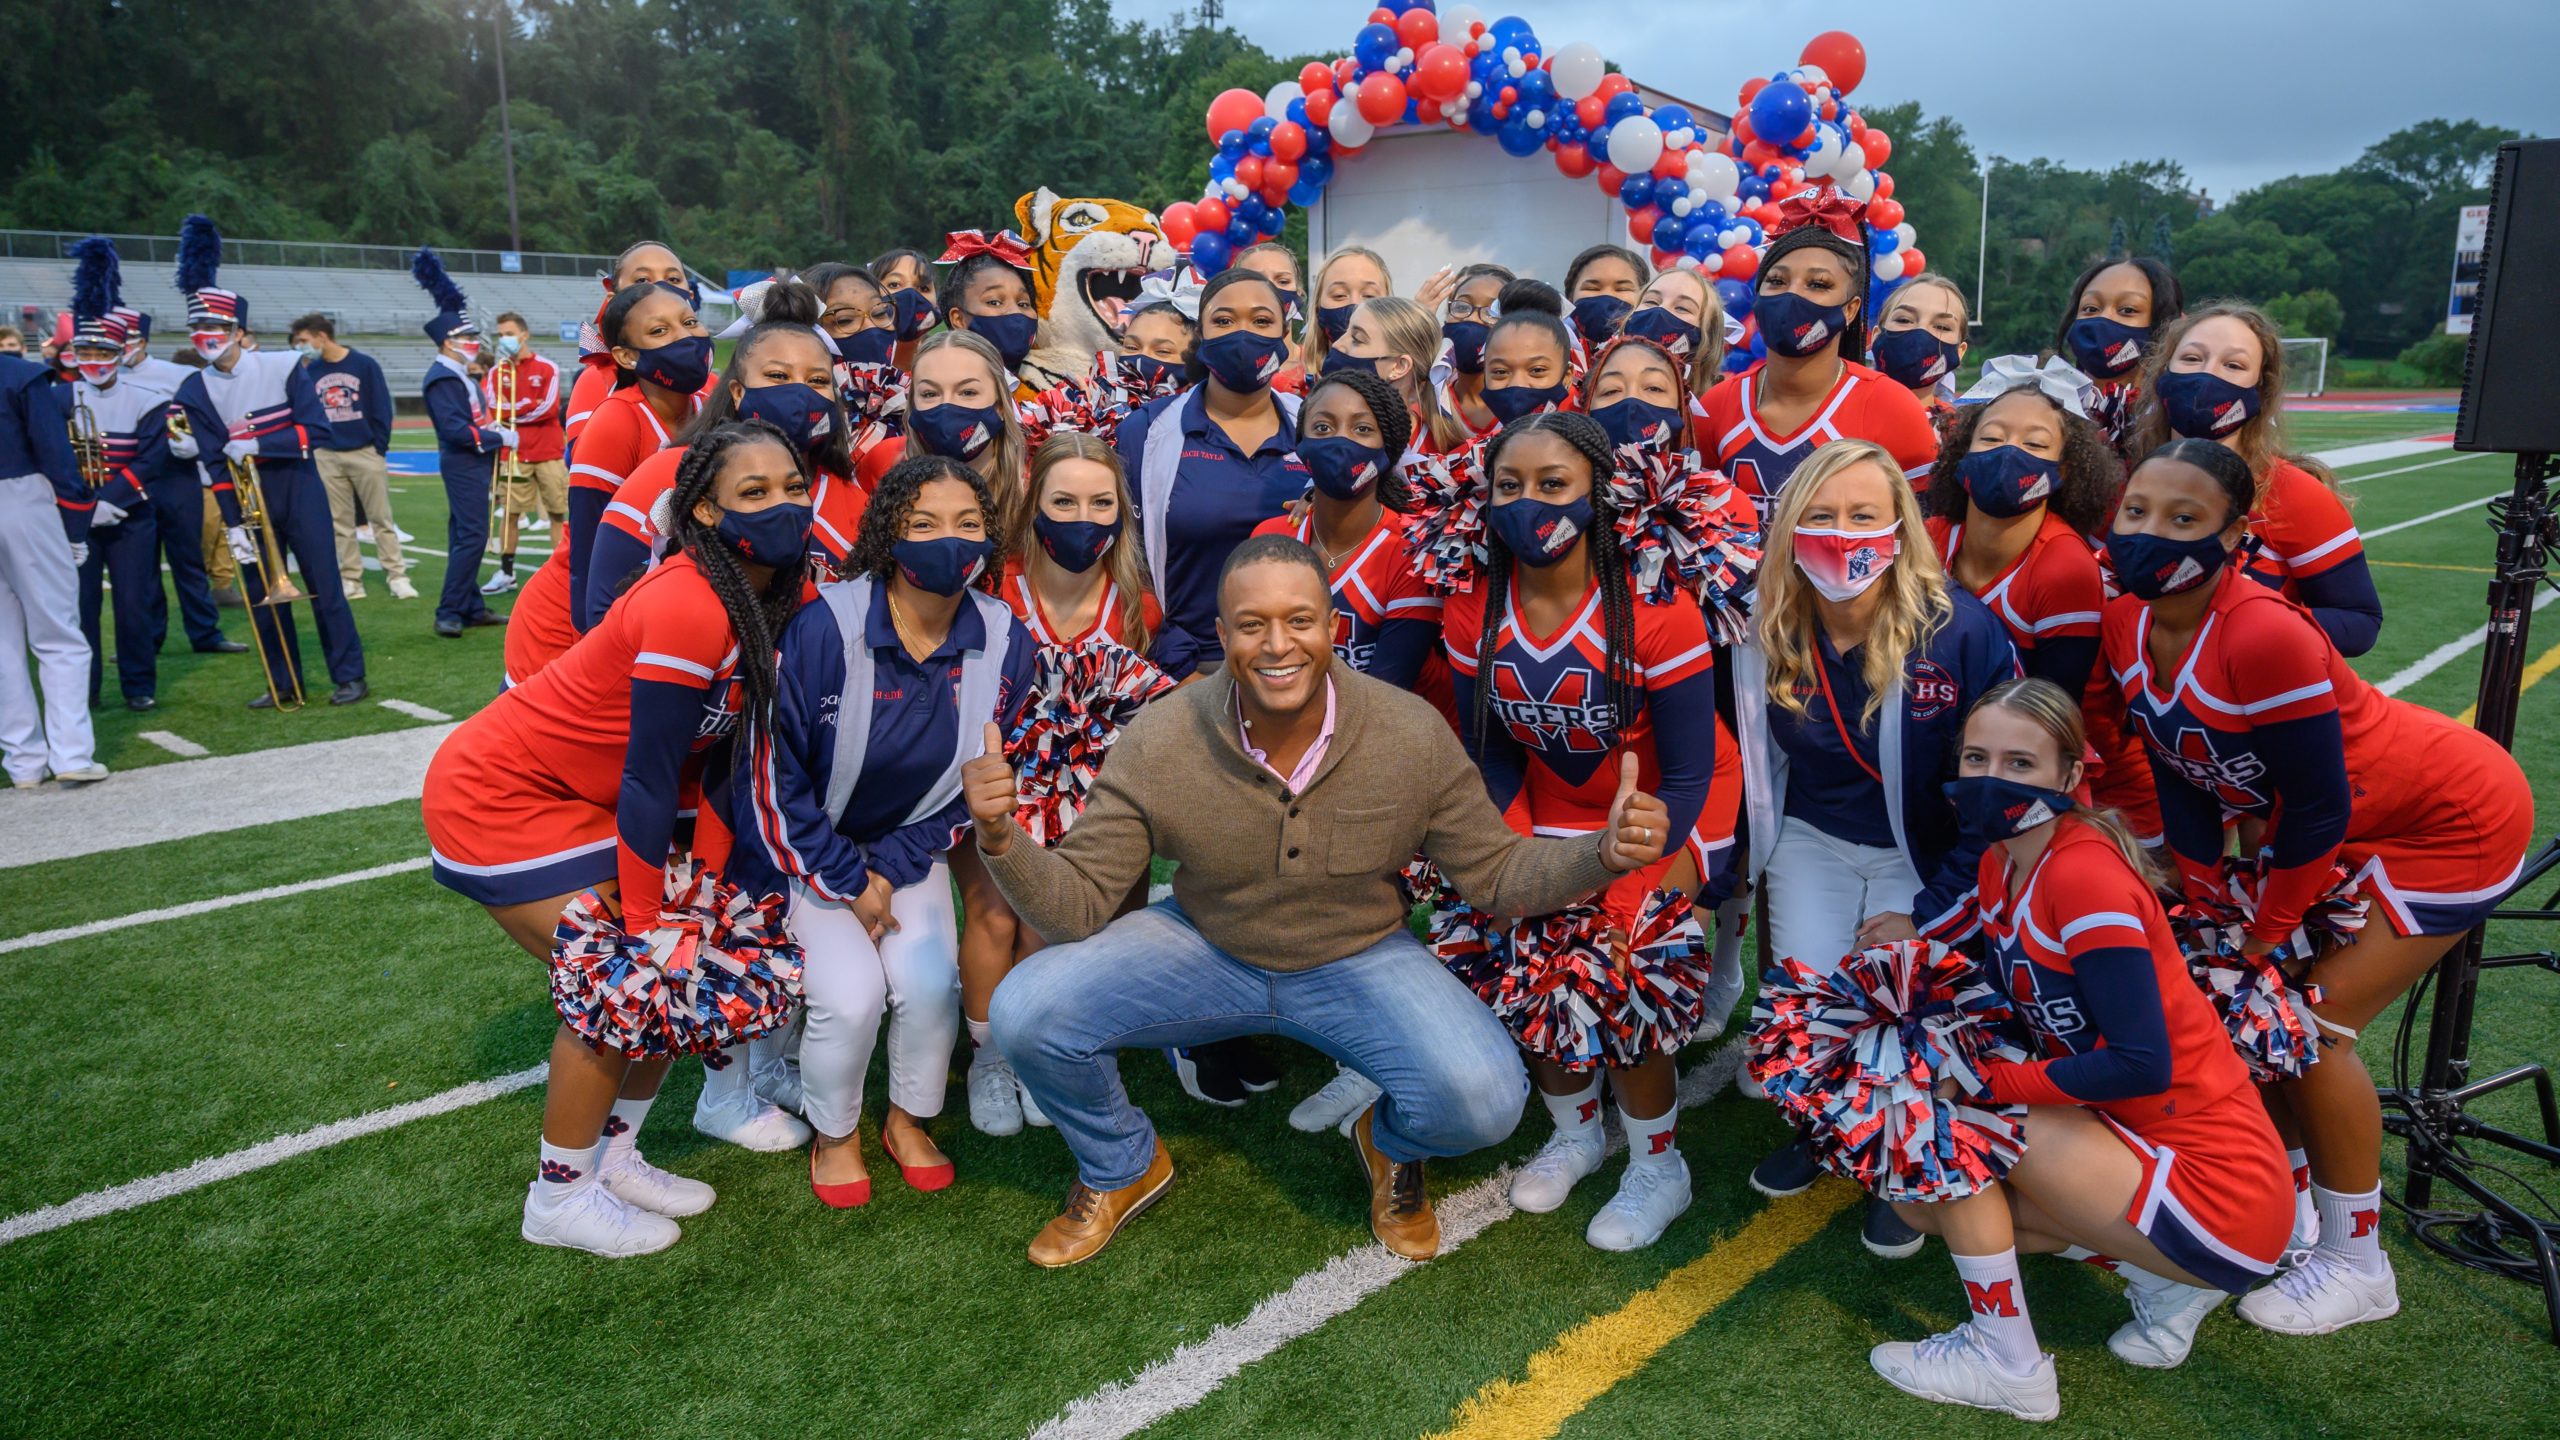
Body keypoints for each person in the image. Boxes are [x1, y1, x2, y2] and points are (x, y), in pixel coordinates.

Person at [972, 533, 1675, 1266]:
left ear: (1333, 627)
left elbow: (1495, 874)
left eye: (1300, 620)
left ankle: (1390, 1142)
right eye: (1252, 625)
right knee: (1026, 1009)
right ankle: (1122, 1164)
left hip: (1359, 955)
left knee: (1488, 1101)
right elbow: (1076, 906)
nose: (1278, 644)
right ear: (1222, 634)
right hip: (1206, 943)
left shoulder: (1408, 731)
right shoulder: (1162, 735)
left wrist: (1602, 854)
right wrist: (1001, 838)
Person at [2101, 437, 2532, 1335]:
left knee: (2306, 1029)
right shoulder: (2125, 621)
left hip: (2448, 822)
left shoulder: (2264, 632)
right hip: (2346, 829)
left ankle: (2357, 1262)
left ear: (2236, 535)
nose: (2151, 533)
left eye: (2185, 519)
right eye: (2137, 511)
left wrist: (2264, 934)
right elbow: (2180, 764)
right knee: (2255, 1021)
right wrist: (2206, 886)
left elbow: (2317, 811)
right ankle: (2289, 1212)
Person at [423, 420, 815, 1257]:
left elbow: (718, 764)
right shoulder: (685, 599)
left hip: (593, 798)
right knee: (626, 975)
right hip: (503, 792)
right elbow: (648, 774)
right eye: (754, 493)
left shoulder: (781, 592)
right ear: (703, 513)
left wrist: (700, 891)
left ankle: (615, 1156)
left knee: (687, 957)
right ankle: (557, 1199)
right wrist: (650, 921)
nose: (782, 505)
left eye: (791, 486)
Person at [1868, 679, 2290, 1422]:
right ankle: (2165, 1279)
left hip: (2217, 1186)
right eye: (1977, 757)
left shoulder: (2085, 878)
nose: (1992, 778)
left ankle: (2008, 1363)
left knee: (1952, 1128)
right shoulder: (2004, 863)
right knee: (1922, 1200)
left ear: (2069, 776)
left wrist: (1988, 1082)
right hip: (2138, 1143)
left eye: (2020, 762)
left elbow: (2140, 1063)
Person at [1442, 410, 1740, 1250]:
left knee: (1612, 956)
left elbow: (1686, 769)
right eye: (1510, 485)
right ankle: (1575, 1130)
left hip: (1670, 810)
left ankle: (1658, 1163)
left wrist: (1637, 857)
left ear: (1599, 497)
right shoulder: (1474, 609)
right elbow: (1494, 755)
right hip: (1556, 809)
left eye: (1553, 484)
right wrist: (1506, 854)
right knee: (1521, 939)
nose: (1529, 501)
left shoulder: (1655, 610)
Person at [1732, 438, 2020, 1257]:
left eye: (1863, 514)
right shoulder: (1763, 619)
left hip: (1919, 849)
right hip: (1814, 835)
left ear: (1901, 524)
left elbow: (1998, 796)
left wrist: (1935, 905)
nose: (1841, 532)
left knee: (1905, 1004)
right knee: (1809, 995)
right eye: (1819, 516)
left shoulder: (1960, 630)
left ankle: (1904, 1166)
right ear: (1787, 527)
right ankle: (1825, 1135)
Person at [747, 454, 1034, 1205]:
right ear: (886, 534)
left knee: (931, 983)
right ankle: (836, 1134)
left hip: (910, 847)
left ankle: (906, 1119)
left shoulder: (1007, 641)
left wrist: (892, 866)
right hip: (813, 850)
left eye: (968, 524)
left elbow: (981, 782)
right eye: (924, 523)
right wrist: (846, 878)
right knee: (848, 996)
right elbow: (779, 774)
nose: (950, 540)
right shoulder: (823, 626)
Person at [953, 433, 1165, 1136]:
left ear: (1121, 512)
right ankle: (989, 1060)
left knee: (1056, 925)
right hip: (996, 779)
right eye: (1064, 500)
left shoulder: (1136, 601)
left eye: (1101, 502)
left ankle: (1040, 1053)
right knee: (993, 916)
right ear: (1034, 506)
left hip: (1088, 792)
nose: (1084, 517)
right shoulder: (995, 584)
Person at [1924, 357, 2150, 847]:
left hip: (2066, 772)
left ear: (2065, 469)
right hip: (1975, 754)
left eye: (2034, 444)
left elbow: (2050, 710)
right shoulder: (1934, 538)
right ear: (1962, 454)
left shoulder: (2064, 566)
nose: (2009, 453)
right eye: (1991, 438)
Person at [167, 218, 368, 709]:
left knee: (325, 586)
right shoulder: (193, 388)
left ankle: (350, 675)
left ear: (238, 331)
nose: (206, 335)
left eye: (215, 326)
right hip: (244, 499)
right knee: (262, 594)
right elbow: (214, 463)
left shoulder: (282, 366)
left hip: (297, 487)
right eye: (198, 327)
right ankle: (284, 682)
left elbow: (315, 431)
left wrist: (259, 444)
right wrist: (232, 523)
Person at [2128, 303, 2382, 657]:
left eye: (2233, 365)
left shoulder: (2294, 493)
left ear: (2260, 391)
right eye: (2191, 358)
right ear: (2161, 374)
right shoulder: (2128, 479)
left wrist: (2249, 621)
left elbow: (2359, 623)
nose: (2207, 376)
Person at [1692, 187, 1940, 519]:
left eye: (1818, 284)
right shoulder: (1716, 406)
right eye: (1777, 281)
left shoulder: (1893, 408)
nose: (1792, 295)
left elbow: (1923, 538)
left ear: (1851, 310)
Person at [1115, 266, 1309, 684]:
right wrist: (1180, 669)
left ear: (1284, 336)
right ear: (1200, 337)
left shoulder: (1314, 427)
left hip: (1301, 664)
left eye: (1261, 321)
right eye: (1223, 321)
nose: (1242, 334)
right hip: (1187, 673)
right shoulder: (1146, 432)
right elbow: (1123, 565)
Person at [568, 278, 710, 632]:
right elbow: (587, 541)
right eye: (661, 330)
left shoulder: (711, 405)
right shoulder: (616, 421)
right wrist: (592, 632)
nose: (685, 337)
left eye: (690, 322)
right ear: (627, 356)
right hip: (628, 611)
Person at [0, 344, 104, 786]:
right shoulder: (20, 375)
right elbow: (56, 455)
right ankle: (71, 755)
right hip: (20, 498)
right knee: (58, 635)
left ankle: (23, 762)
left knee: (2, 645)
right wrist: (76, 527)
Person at [64, 303, 165, 713]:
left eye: (103, 353)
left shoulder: (149, 399)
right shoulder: (56, 395)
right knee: (79, 605)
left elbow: (153, 459)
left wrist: (111, 499)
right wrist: (84, 506)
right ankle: (84, 688)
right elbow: (52, 456)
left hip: (131, 517)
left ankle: (138, 684)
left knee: (133, 603)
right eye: (85, 353)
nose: (94, 362)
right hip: (75, 519)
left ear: (121, 353)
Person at [410, 249, 513, 639]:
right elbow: (457, 431)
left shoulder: (460, 375)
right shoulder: (442, 377)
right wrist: (498, 436)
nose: (473, 341)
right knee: (471, 536)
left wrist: (494, 427)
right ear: (448, 342)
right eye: (467, 336)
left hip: (473, 461)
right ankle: (449, 609)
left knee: (464, 535)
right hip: (463, 460)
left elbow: (472, 419)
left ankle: (469, 605)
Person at [286, 313, 412, 603]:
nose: (301, 346)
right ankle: (351, 578)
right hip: (327, 455)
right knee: (339, 523)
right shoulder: (310, 370)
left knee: (381, 519)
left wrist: (378, 448)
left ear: (321, 336)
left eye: (304, 340)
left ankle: (397, 575)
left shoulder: (364, 364)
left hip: (364, 451)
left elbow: (381, 406)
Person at [565, 241, 694, 448]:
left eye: (673, 279)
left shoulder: (712, 383)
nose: (660, 288)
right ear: (614, 299)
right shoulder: (596, 381)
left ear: (690, 296)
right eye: (642, 279)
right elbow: (586, 466)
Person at [2055, 257, 2183, 459]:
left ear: (2163, 325)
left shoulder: (2175, 418)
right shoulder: (2047, 406)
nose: (2104, 318)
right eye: (2090, 309)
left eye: (2127, 310)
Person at [481, 312, 569, 596]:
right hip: (515, 455)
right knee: (510, 514)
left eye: (508, 333)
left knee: (558, 513)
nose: (503, 339)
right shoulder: (497, 372)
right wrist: (527, 405)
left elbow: (549, 408)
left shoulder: (547, 368)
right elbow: (495, 410)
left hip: (549, 452)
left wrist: (515, 411)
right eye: (500, 334)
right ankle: (507, 573)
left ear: (524, 335)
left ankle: (561, 573)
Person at [1325, 296, 1466, 455]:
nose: (1337, 344)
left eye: (1357, 339)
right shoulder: (1316, 428)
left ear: (1399, 366)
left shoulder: (1444, 459)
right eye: (1346, 332)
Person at [935, 230, 1041, 388]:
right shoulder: (934, 390)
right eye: (994, 302)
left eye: (1024, 304)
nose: (1015, 312)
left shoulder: (1052, 399)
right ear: (958, 319)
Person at [1621, 266, 1731, 405]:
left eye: (1682, 308)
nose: (1660, 310)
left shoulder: (1717, 412)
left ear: (1707, 338)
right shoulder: (1592, 388)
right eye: (1651, 301)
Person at [1869, 273, 1970, 423]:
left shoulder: (1961, 435)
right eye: (1904, 320)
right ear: (1876, 336)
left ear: (1959, 351)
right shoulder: (1836, 408)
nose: (1921, 332)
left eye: (1942, 326)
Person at [1478, 279, 1579, 428]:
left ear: (1567, 376)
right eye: (1500, 372)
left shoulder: (1593, 449)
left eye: (1537, 370)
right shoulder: (1472, 452)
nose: (1517, 384)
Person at [1434, 264, 1514, 444]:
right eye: (1462, 307)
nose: (1472, 318)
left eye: (1492, 312)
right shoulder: (1428, 400)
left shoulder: (1529, 402)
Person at [1300, 245, 1391, 383]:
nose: (1355, 305)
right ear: (1318, 308)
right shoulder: (1292, 395)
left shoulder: (1412, 390)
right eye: (1339, 295)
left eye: (1369, 295)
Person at [1562, 243, 1649, 352]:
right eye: (1592, 288)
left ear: (1643, 297)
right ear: (1570, 298)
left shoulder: (1658, 358)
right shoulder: (1551, 351)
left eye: (1622, 289)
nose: (1608, 295)